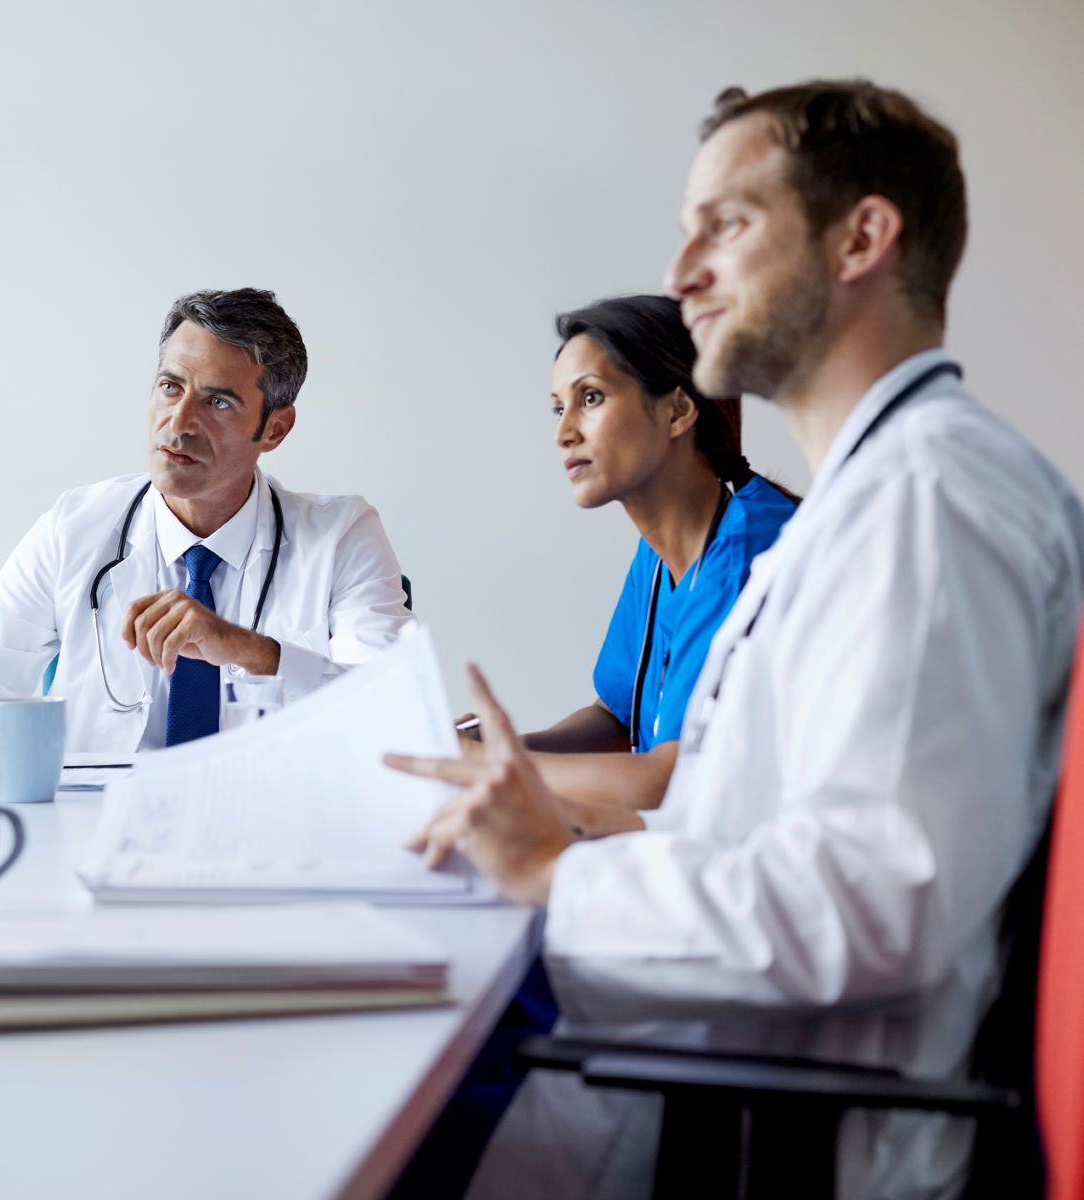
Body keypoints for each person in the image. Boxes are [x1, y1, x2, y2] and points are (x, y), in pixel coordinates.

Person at [389, 80, 1084, 1197]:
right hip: (702, 1048)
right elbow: (735, 815)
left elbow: (870, 902)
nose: (682, 273)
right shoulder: (866, 503)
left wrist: (555, 872)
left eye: (728, 224)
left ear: (861, 238)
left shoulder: (926, 504)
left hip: (760, 1115)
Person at [0, 287, 413, 762]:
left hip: (273, 824)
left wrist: (247, 650)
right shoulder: (76, 526)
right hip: (98, 823)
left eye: (219, 402)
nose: (179, 423)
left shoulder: (342, 536)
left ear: (275, 428)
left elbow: (394, 709)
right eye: (170, 387)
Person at [512, 294, 794, 835]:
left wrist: (491, 768)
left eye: (590, 397)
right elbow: (616, 718)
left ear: (678, 411)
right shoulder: (658, 553)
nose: (563, 432)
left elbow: (663, 783)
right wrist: (508, 747)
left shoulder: (752, 551)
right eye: (558, 408)